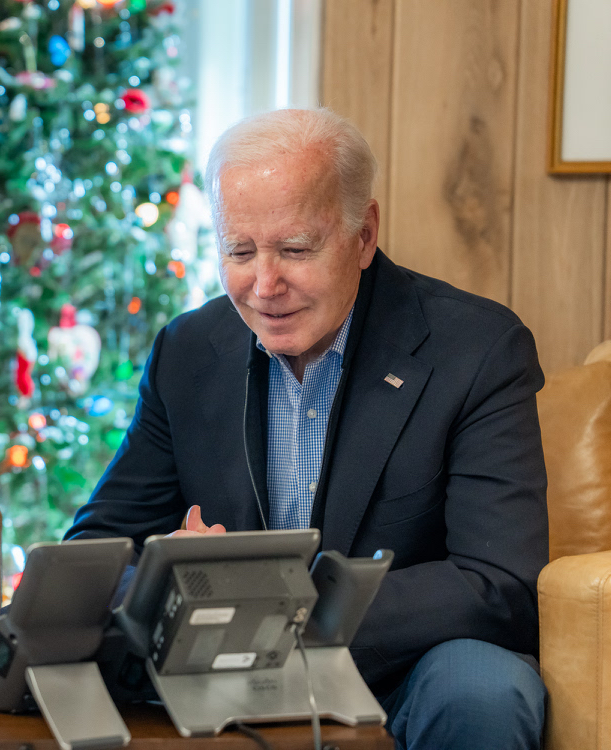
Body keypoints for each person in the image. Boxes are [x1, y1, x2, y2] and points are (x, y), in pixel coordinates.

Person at [65, 108, 548, 750]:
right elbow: (95, 549)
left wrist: (283, 606)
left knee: (485, 690)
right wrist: (175, 575)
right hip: (218, 668)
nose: (265, 285)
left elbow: (500, 582)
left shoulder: (477, 348)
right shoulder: (189, 348)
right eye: (239, 251)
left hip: (398, 665)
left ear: (364, 233)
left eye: (295, 249)